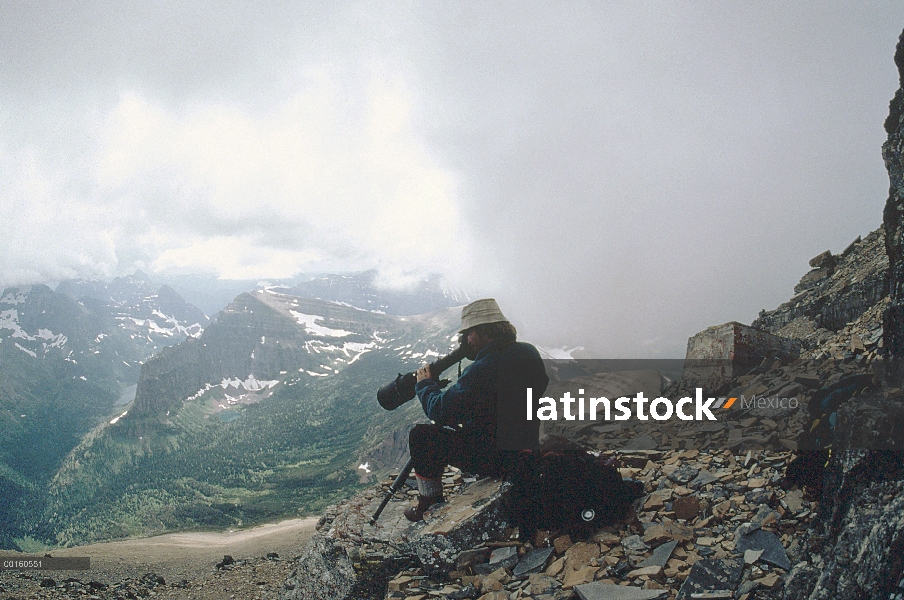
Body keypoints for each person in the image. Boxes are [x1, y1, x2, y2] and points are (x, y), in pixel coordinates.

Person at [405, 298, 549, 521]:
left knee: (421, 436)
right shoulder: (528, 352)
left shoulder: (483, 368)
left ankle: (429, 503)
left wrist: (425, 385)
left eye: (469, 334)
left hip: (495, 456)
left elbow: (440, 411)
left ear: (484, 331)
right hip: (527, 450)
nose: (466, 341)